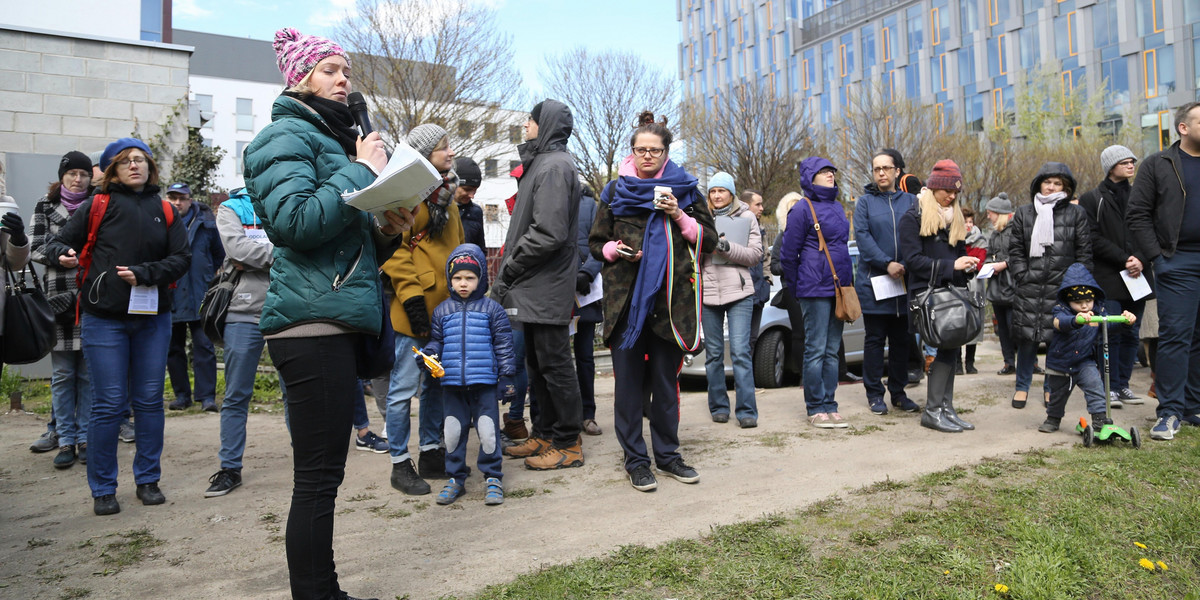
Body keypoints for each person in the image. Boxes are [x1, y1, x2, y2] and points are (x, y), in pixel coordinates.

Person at [242, 28, 411, 600]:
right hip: (309, 329)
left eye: (345, 71)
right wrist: (361, 172)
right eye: (330, 69)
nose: (344, 81)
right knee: (316, 479)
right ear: (299, 77)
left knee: (326, 476)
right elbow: (293, 222)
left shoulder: (333, 145)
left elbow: (342, 241)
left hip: (336, 321)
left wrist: (386, 228)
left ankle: (324, 592)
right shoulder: (279, 137)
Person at [41, 137, 190, 514]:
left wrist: (144, 274)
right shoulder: (97, 204)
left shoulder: (165, 209)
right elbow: (56, 243)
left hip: (153, 320)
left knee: (149, 402)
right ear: (113, 170)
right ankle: (103, 488)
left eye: (141, 160)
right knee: (108, 405)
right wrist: (65, 254)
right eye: (126, 161)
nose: (135, 166)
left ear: (151, 167)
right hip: (103, 320)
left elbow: (181, 259)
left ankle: (148, 480)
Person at [589, 111, 717, 491]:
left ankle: (668, 456)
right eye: (640, 150)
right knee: (628, 388)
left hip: (671, 305)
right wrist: (615, 250)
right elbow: (595, 243)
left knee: (664, 385)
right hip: (626, 306)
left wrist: (679, 215)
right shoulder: (615, 192)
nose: (646, 156)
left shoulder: (688, 192)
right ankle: (635, 461)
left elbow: (709, 240)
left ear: (666, 153)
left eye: (654, 151)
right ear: (632, 152)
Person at [494, 99, 586, 471]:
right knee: (537, 365)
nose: (525, 128)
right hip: (533, 285)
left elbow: (548, 233)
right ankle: (545, 433)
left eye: (529, 122)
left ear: (543, 125)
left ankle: (568, 442)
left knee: (555, 365)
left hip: (544, 282)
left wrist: (510, 269)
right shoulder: (543, 163)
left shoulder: (554, 166)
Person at [381, 122, 464, 495]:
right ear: (423, 155)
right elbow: (395, 251)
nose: (450, 152)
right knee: (402, 389)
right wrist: (413, 299)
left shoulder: (446, 192)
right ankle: (400, 463)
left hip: (445, 311)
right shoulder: (405, 193)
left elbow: (458, 246)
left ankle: (431, 451)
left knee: (435, 385)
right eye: (443, 147)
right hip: (414, 314)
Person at [419, 244, 515, 506]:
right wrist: (428, 356)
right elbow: (436, 342)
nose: (463, 283)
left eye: (470, 278)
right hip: (451, 386)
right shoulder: (441, 311)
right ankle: (455, 479)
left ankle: (493, 477)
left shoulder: (492, 310)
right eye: (458, 278)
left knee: (487, 432)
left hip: (484, 384)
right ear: (450, 280)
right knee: (452, 433)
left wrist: (506, 377)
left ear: (481, 279)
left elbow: (504, 344)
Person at [1128, 101, 1200, 439]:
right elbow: (1138, 214)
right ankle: (1169, 411)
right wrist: (1158, 257)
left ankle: (1192, 407)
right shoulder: (1158, 164)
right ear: (1183, 127)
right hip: (1178, 260)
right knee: (1175, 336)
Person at [205, 187, 279, 497]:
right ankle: (229, 468)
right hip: (243, 310)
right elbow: (237, 251)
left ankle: (309, 463)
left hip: (286, 309)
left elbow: (250, 255)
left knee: (296, 393)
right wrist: (283, 255)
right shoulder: (231, 208)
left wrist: (255, 257)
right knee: (236, 394)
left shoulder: (287, 202)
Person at [898, 160, 980, 433]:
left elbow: (957, 258)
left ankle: (946, 408)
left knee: (951, 350)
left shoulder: (953, 218)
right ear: (933, 188)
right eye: (948, 191)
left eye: (956, 191)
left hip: (951, 295)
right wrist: (951, 266)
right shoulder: (913, 217)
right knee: (942, 352)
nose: (953, 196)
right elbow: (912, 261)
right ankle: (933, 411)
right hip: (928, 299)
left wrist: (967, 266)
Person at [1008, 162, 1092, 411]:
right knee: (1027, 340)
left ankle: (1049, 389)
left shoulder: (1076, 214)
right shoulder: (1024, 213)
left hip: (1060, 288)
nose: (1052, 187)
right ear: (1039, 184)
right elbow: (1015, 250)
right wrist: (1021, 274)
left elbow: (1084, 252)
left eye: (1057, 183)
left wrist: (1076, 286)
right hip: (1029, 286)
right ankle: (1022, 386)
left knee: (1056, 342)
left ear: (1065, 187)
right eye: (1048, 182)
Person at [29, 151, 94, 469]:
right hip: (59, 297)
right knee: (63, 373)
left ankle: (84, 438)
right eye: (72, 174)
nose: (78, 179)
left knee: (87, 374)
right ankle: (65, 439)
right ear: (62, 176)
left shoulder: (99, 202)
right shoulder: (44, 204)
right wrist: (57, 257)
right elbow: (34, 244)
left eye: (83, 174)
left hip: (93, 294)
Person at [781, 157, 853, 429]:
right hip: (813, 287)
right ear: (810, 177)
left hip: (839, 287)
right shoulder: (801, 209)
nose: (830, 175)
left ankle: (830, 404)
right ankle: (815, 406)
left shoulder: (837, 207)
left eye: (831, 171)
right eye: (823, 172)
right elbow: (789, 254)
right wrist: (797, 286)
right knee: (815, 348)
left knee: (832, 350)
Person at [1078, 145, 1148, 405]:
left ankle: (1124, 385)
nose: (1131, 166)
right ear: (1110, 166)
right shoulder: (1091, 198)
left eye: (1132, 162)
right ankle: (1110, 387)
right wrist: (1124, 258)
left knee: (1132, 331)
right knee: (1112, 330)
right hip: (1109, 275)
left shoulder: (1141, 195)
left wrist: (1140, 258)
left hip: (1138, 275)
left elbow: (1150, 229)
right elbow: (1092, 237)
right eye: (1125, 162)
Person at [854, 150, 918, 416]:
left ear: (897, 171)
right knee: (875, 340)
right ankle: (874, 394)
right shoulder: (865, 204)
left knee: (902, 340)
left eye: (886, 168)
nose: (881, 173)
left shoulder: (912, 201)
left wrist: (908, 264)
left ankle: (899, 393)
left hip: (906, 283)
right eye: (876, 168)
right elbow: (863, 238)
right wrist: (886, 263)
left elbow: (918, 234)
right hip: (875, 283)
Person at [1038, 263, 1137, 433]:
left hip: (1085, 362)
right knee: (1058, 396)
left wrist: (1125, 321)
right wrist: (1076, 320)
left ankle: (1099, 420)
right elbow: (1058, 323)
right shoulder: (1060, 310)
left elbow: (1109, 327)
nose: (1084, 306)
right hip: (1060, 364)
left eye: (1088, 301)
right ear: (1068, 301)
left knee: (1096, 388)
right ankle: (1053, 419)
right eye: (1078, 302)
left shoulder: (1098, 313)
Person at [700, 171, 762, 428]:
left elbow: (755, 255)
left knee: (740, 352)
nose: (716, 195)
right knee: (713, 354)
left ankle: (747, 411)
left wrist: (726, 248)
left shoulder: (747, 217)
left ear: (731, 193)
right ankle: (719, 407)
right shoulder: (700, 218)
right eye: (712, 191)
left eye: (721, 191)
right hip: (708, 292)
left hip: (739, 293)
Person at [163, 182, 224, 412]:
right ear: (167, 199)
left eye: (182, 198)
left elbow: (219, 254)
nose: (177, 202)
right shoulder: (162, 223)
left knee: (205, 347)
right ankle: (181, 396)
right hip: (172, 295)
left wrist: (206, 274)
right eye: (173, 198)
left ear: (190, 200)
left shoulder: (208, 223)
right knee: (174, 349)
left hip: (201, 294)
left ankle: (207, 397)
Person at [575, 184, 604, 436]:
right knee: (555, 358)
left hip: (585, 292)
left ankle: (587, 414)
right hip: (555, 292)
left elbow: (599, 243)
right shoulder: (545, 200)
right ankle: (563, 416)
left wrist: (586, 273)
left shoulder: (589, 205)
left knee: (585, 357)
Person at [984, 193, 1018, 375]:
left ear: (999, 213)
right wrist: (989, 265)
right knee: (1002, 329)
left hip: (1013, 287)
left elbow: (1021, 255)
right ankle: (1009, 362)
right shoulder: (994, 234)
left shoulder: (1016, 231)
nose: (988, 216)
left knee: (1017, 327)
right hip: (997, 288)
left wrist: (1004, 264)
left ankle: (1031, 361)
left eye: (990, 212)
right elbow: (989, 254)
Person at [958, 206, 988, 375]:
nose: (968, 225)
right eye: (965, 221)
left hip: (975, 285)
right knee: (957, 322)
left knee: (974, 321)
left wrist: (966, 263)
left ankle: (970, 362)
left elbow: (980, 262)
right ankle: (957, 363)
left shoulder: (980, 240)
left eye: (970, 221)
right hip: (957, 284)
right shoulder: (953, 239)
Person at [741, 190, 771, 352]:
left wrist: (768, 280)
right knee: (741, 341)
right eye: (757, 204)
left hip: (759, 292)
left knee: (752, 339)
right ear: (746, 205)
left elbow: (766, 257)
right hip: (743, 293)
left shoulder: (761, 230)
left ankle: (747, 377)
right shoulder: (737, 226)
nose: (762, 208)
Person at [453, 157, 486, 250]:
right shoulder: (436, 209)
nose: (472, 196)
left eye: (475, 191)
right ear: (453, 184)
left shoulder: (476, 212)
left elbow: (480, 249)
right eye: (467, 190)